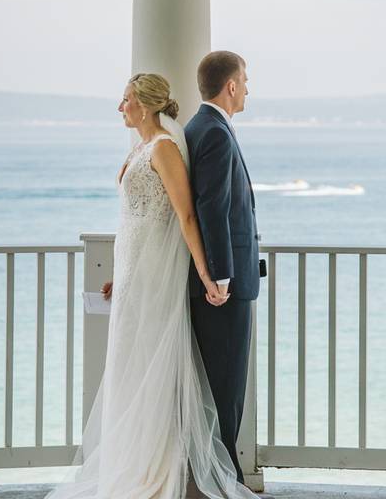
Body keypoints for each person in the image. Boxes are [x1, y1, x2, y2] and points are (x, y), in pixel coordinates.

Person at [44, 72, 258, 499]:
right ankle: (133, 463)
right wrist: (119, 272)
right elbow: (137, 220)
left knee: (152, 371)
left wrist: (206, 272)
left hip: (155, 280)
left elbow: (186, 217)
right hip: (132, 276)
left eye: (125, 100)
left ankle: (156, 472)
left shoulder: (164, 148)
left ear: (145, 104)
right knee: (129, 367)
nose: (120, 107)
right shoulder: (141, 148)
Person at [184, 51, 261, 485]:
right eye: (245, 80)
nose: (248, 88)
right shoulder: (213, 132)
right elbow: (213, 206)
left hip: (218, 281)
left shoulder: (202, 127)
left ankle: (216, 478)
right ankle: (224, 484)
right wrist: (221, 275)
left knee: (217, 389)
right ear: (230, 86)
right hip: (222, 288)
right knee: (225, 390)